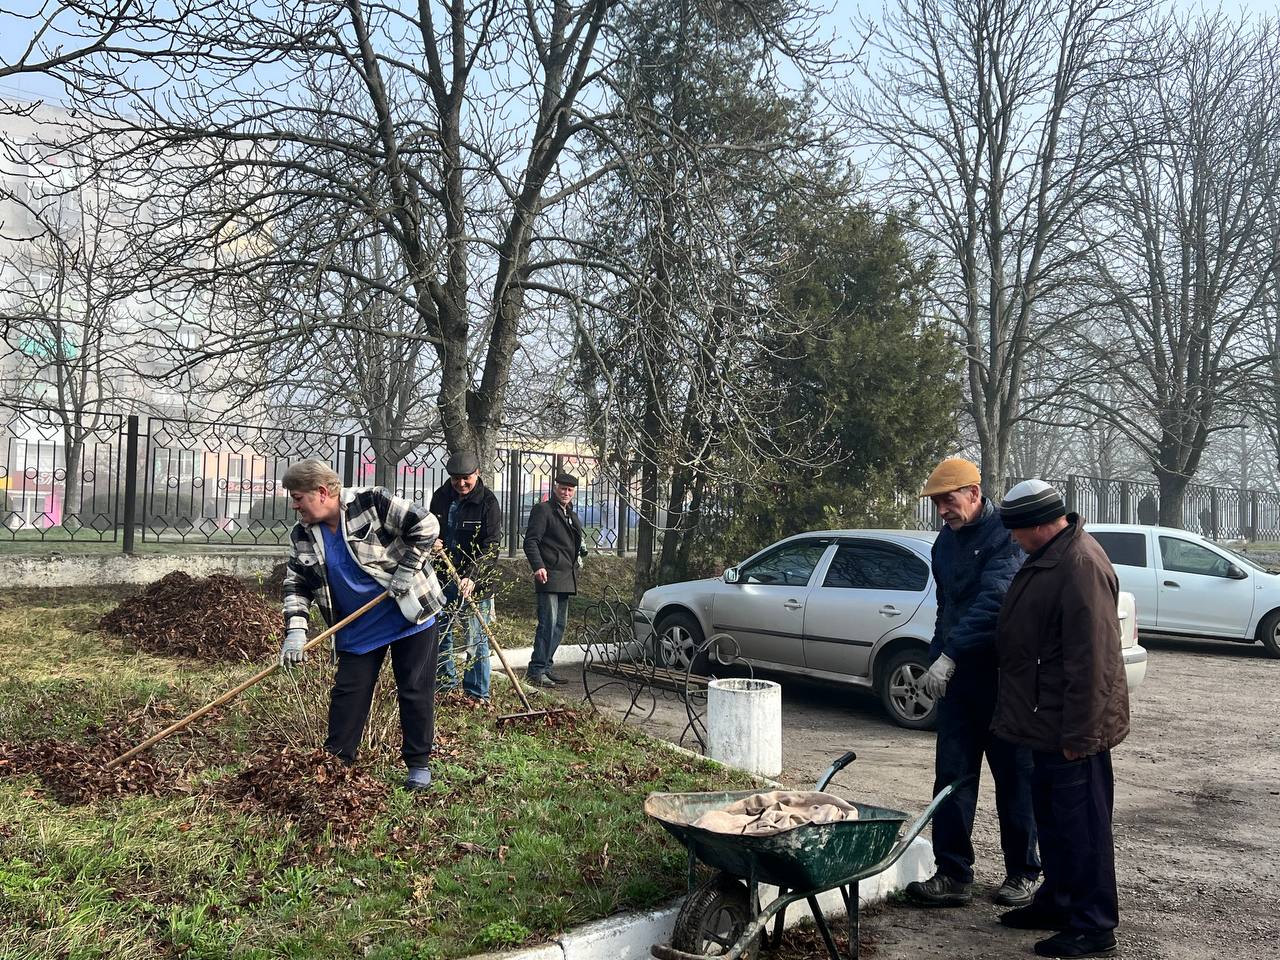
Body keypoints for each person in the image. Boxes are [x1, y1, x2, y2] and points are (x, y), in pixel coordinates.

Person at [993, 480, 1130, 959]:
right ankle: (1059, 901)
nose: (1013, 540)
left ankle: (1094, 926)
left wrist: (1082, 734)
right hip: (1047, 723)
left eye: (1016, 530)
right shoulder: (1052, 555)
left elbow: (1094, 661)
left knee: (1083, 829)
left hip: (1073, 730)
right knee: (1054, 823)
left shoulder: (1079, 564)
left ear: (1036, 524)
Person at [905, 457, 1041, 909]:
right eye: (937, 503)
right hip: (960, 683)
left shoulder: (1006, 536)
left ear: (974, 494)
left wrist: (951, 655)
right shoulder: (944, 544)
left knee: (1014, 779)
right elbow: (947, 608)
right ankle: (952, 874)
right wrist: (935, 657)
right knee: (952, 777)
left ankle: (1023, 873)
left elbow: (994, 603)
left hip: (1001, 680)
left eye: (949, 500)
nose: (943, 510)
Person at [277, 460, 446, 791]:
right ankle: (336, 764)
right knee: (348, 695)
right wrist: (296, 631)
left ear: (321, 492)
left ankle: (418, 765)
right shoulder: (303, 534)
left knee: (414, 690)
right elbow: (296, 583)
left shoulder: (370, 502)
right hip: (357, 628)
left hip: (408, 615)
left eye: (297, 498)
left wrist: (407, 569)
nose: (294, 506)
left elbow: (426, 524)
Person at [429, 450, 503, 700]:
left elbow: (491, 546)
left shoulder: (488, 503)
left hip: (475, 582)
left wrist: (472, 576)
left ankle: (476, 693)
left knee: (475, 638)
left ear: (477, 474)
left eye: (466, 478)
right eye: (455, 479)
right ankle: (445, 686)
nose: (461, 484)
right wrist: (432, 541)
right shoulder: (440, 497)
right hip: (443, 577)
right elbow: (429, 527)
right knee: (441, 633)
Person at [522, 471, 586, 687]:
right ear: (555, 488)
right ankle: (536, 670)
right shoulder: (543, 510)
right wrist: (538, 566)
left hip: (566, 575)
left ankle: (546, 667)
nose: (566, 493)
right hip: (548, 574)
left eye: (570, 490)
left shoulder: (570, 513)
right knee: (547, 624)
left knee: (559, 625)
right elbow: (531, 541)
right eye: (562, 489)